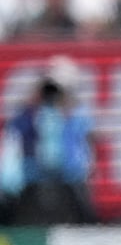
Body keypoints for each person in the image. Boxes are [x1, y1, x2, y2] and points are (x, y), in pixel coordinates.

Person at [0, 56, 97, 226]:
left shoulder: (77, 116)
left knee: (83, 211)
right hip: (30, 175)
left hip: (68, 176)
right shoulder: (29, 114)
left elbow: (80, 154)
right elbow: (15, 138)